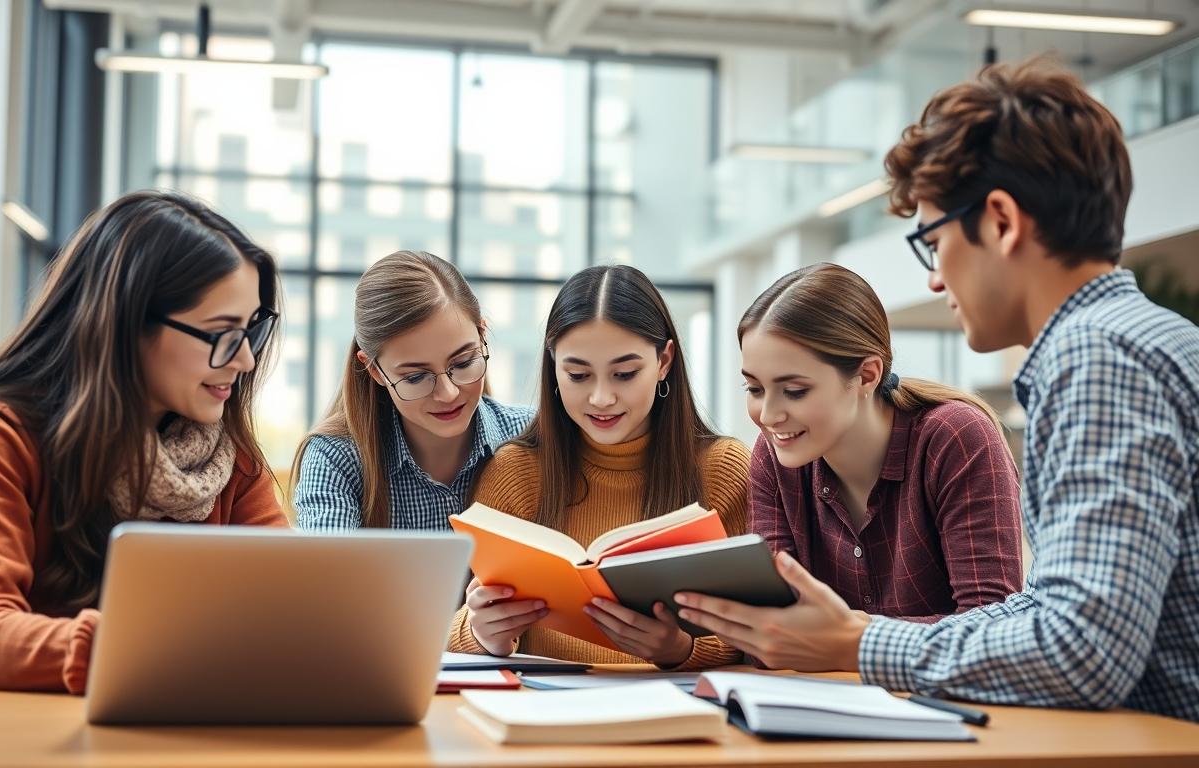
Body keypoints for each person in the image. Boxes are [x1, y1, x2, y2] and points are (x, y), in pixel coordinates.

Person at [675, 58, 1199, 722]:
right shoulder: (1142, 338)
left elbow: (1081, 653)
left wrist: (862, 640)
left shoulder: (1098, 357)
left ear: (1001, 222)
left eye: (933, 242)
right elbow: (1050, 613)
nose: (932, 279)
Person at [0, 190, 288, 693]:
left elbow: (284, 608)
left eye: (252, 331)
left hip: (141, 733)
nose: (246, 359)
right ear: (126, 322)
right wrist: (147, 648)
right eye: (221, 333)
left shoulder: (226, 462)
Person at [448, 264, 752, 669]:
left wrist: (681, 649)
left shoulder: (723, 468)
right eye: (578, 374)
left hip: (677, 715)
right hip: (547, 712)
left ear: (665, 360)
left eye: (625, 374)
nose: (601, 398)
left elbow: (757, 633)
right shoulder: (517, 471)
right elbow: (460, 627)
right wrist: (480, 632)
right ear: (553, 366)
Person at [740, 262, 1022, 623]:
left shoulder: (955, 438)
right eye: (755, 389)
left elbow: (994, 625)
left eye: (795, 391)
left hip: (930, 684)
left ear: (867, 375)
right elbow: (774, 626)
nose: (768, 415)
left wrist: (848, 636)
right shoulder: (773, 455)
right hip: (820, 683)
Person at [293, 250, 532, 530]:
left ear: (482, 337)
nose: (448, 393)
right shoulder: (336, 459)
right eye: (416, 377)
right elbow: (329, 572)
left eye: (464, 362)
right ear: (374, 371)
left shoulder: (533, 434)